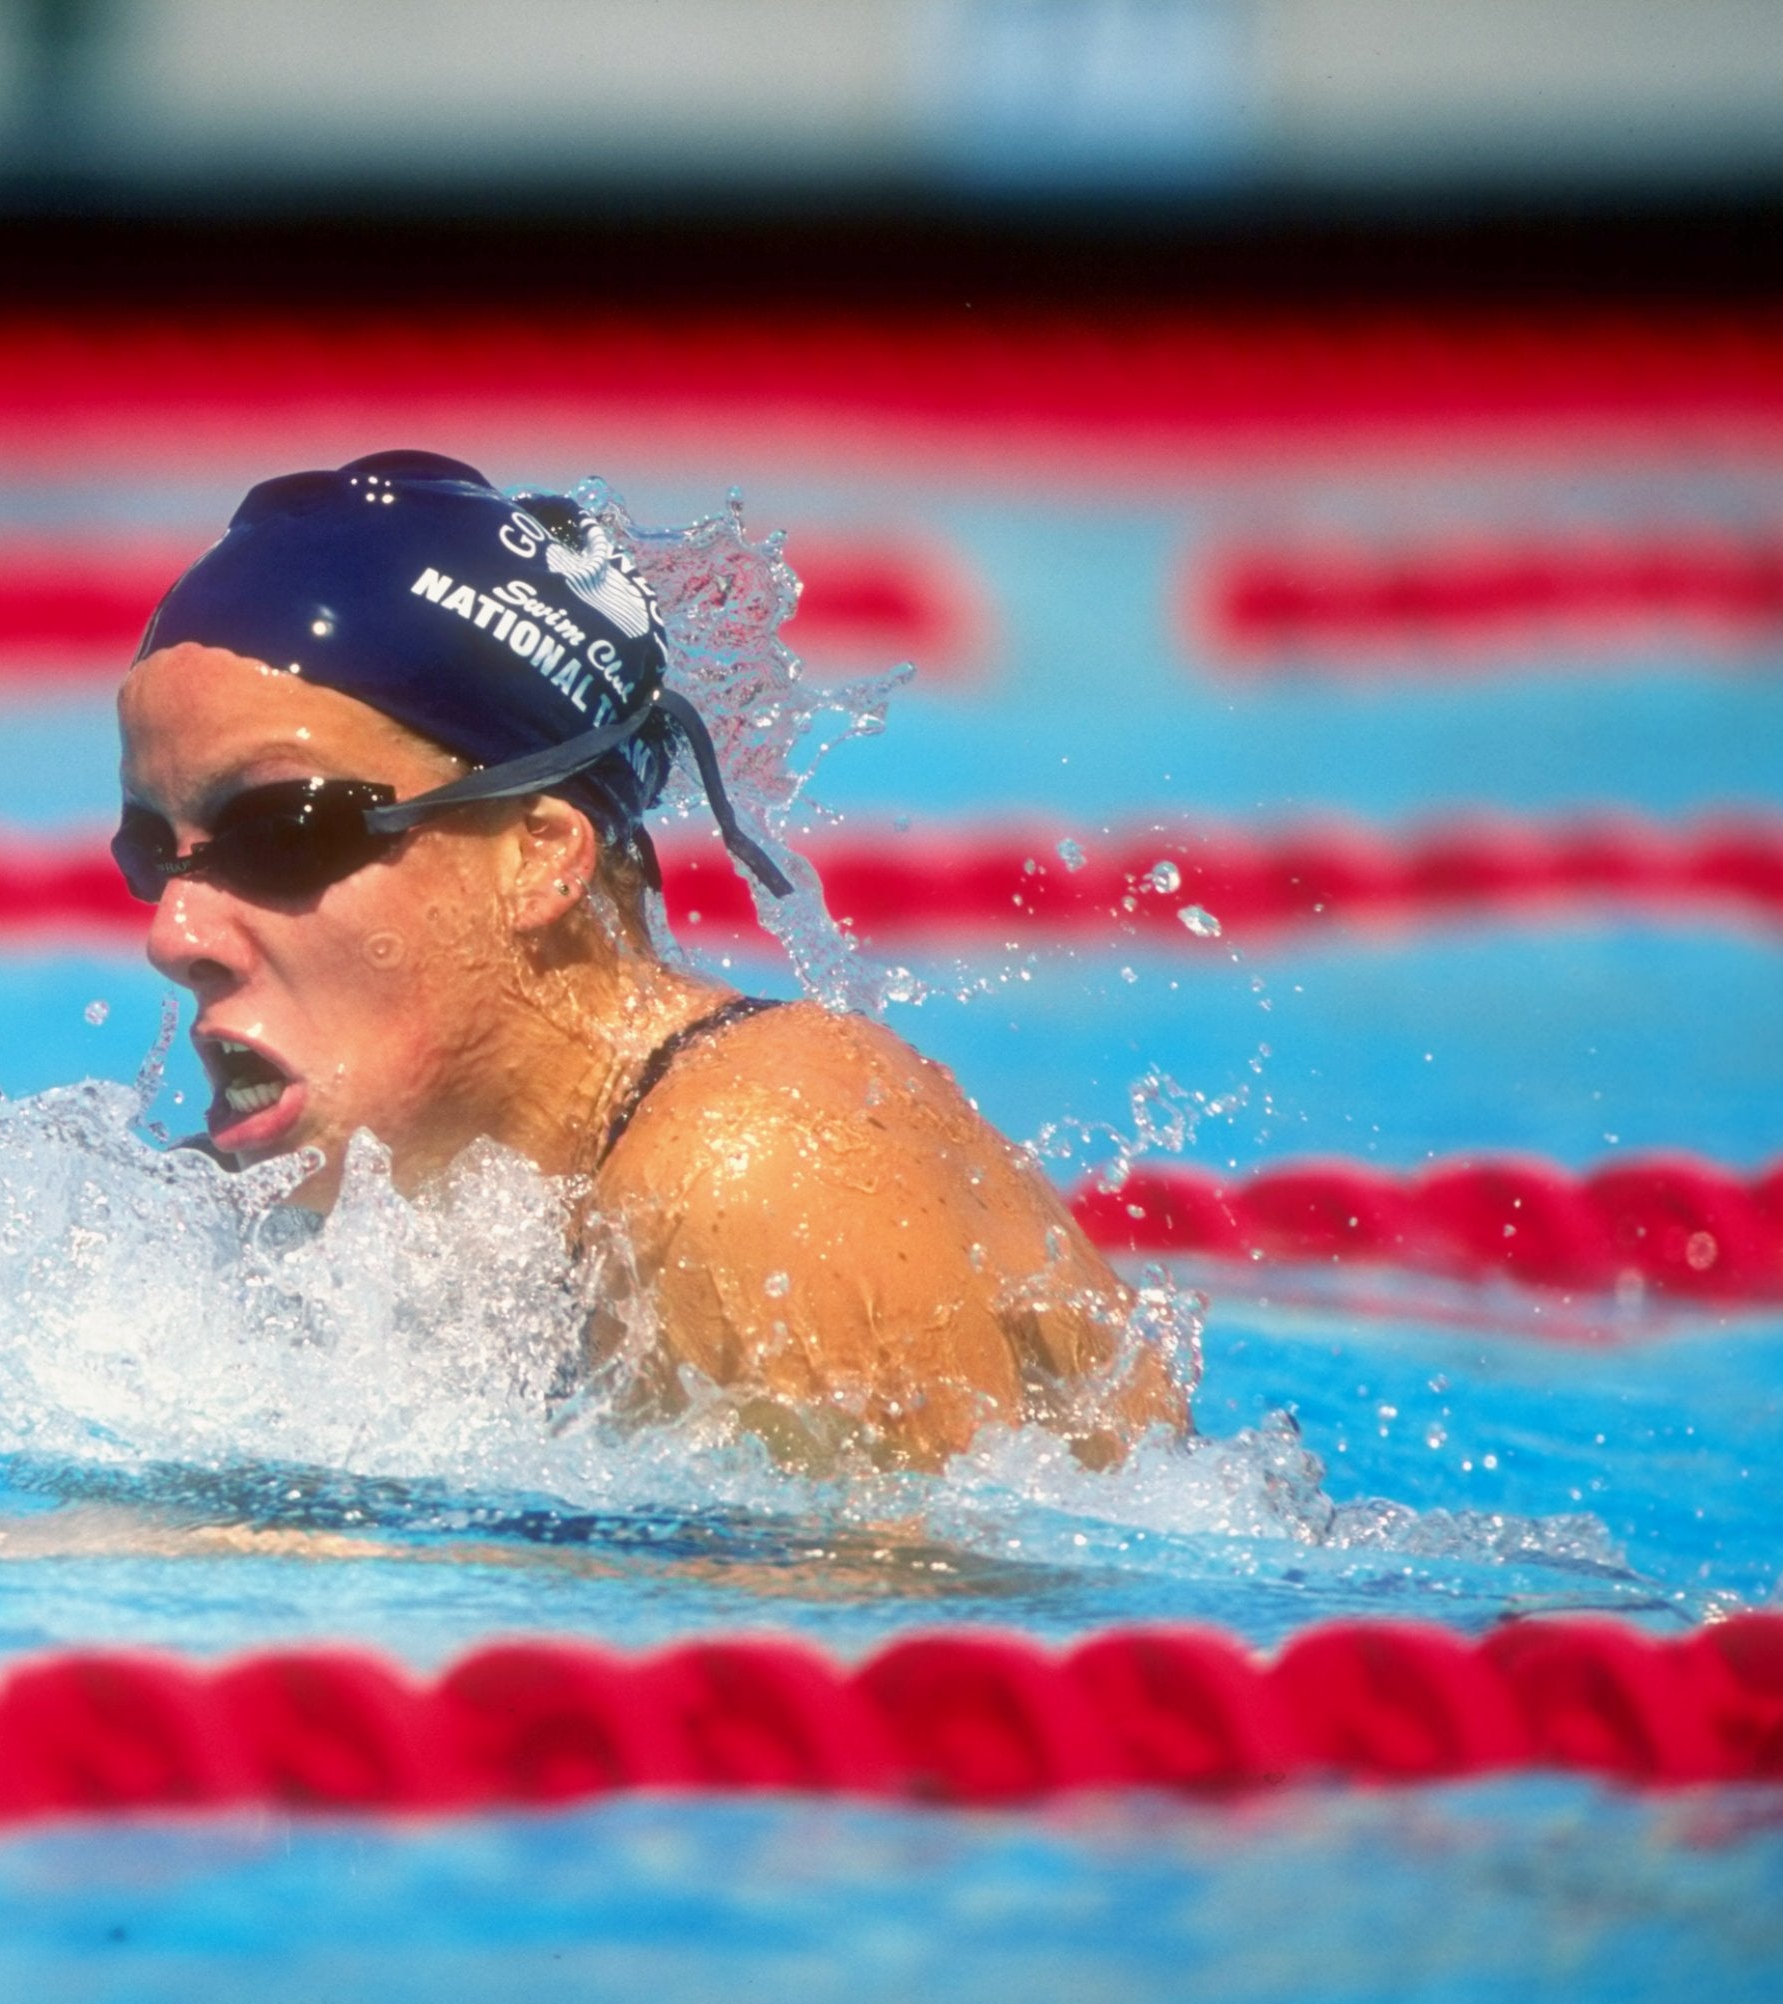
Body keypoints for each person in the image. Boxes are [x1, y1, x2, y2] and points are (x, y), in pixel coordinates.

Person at [114, 452, 1184, 1472]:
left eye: (283, 831)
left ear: (539, 858)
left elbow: (914, 1653)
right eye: (153, 853)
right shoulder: (370, 1211)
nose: (177, 936)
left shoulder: (756, 1172)